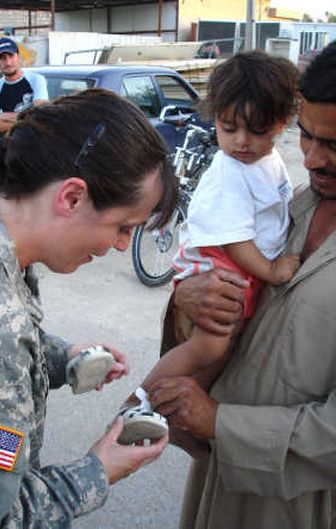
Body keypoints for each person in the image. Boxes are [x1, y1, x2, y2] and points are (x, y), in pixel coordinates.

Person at [0, 89, 177, 528]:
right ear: (71, 197)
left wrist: (57, 358)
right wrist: (97, 472)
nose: (121, 247)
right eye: (123, 226)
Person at [147, 41, 336, 529]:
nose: (312, 159)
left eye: (334, 145)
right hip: (223, 474)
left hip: (300, 500)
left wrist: (218, 422)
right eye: (307, 136)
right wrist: (184, 298)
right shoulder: (298, 203)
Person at [119, 51, 300, 446]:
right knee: (210, 344)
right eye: (228, 127)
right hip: (221, 261)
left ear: (284, 123)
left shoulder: (269, 163)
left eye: (257, 130)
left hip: (242, 263)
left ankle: (175, 409)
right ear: (215, 117)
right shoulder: (229, 172)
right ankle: (140, 400)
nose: (241, 142)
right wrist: (271, 271)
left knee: (224, 350)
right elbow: (235, 239)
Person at [0, 37, 48, 136]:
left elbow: (40, 117)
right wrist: (27, 122)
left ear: (19, 57)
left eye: (11, 56)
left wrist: (2, 117)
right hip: (7, 145)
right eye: (3, 58)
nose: (8, 62)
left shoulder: (37, 80)